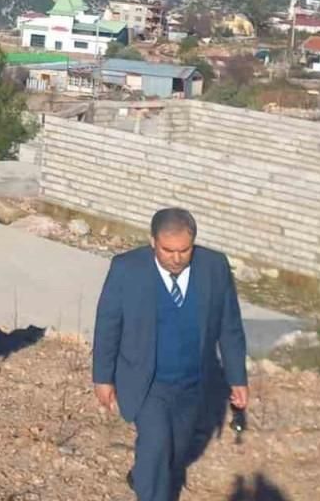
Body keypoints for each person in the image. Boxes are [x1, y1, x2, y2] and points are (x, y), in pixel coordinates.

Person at [93, 208, 248, 501]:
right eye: (168, 250)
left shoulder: (214, 268)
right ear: (153, 241)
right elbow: (108, 325)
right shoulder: (127, 269)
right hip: (147, 382)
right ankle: (150, 486)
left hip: (192, 383)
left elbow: (229, 326)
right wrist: (103, 377)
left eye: (184, 250)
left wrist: (237, 378)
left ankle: (143, 473)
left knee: (175, 451)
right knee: (156, 443)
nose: (176, 258)